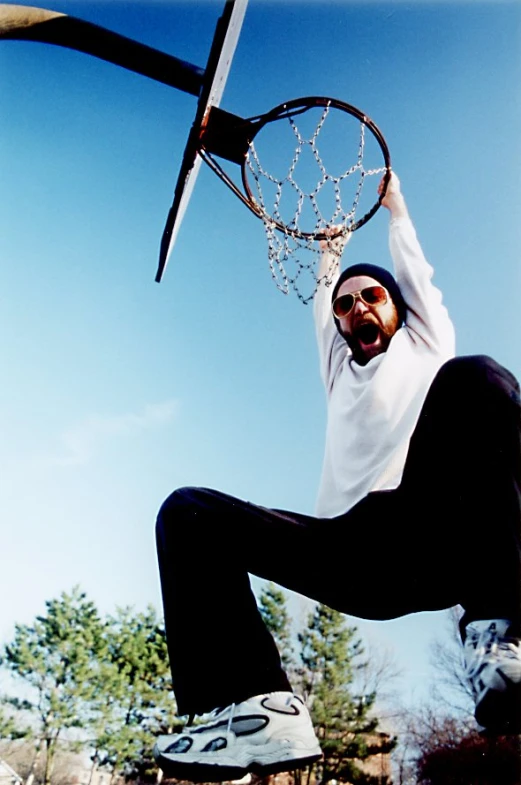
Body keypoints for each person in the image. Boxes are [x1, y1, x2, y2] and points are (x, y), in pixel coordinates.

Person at [153, 173, 521, 782]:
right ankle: (256, 709)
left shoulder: (425, 345)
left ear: (399, 310)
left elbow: (418, 279)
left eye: (372, 297)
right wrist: (330, 257)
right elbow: (327, 307)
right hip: (349, 550)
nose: (357, 310)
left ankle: (500, 636)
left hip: (432, 528)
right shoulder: (338, 369)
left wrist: (397, 209)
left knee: (477, 377)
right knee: (187, 513)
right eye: (346, 306)